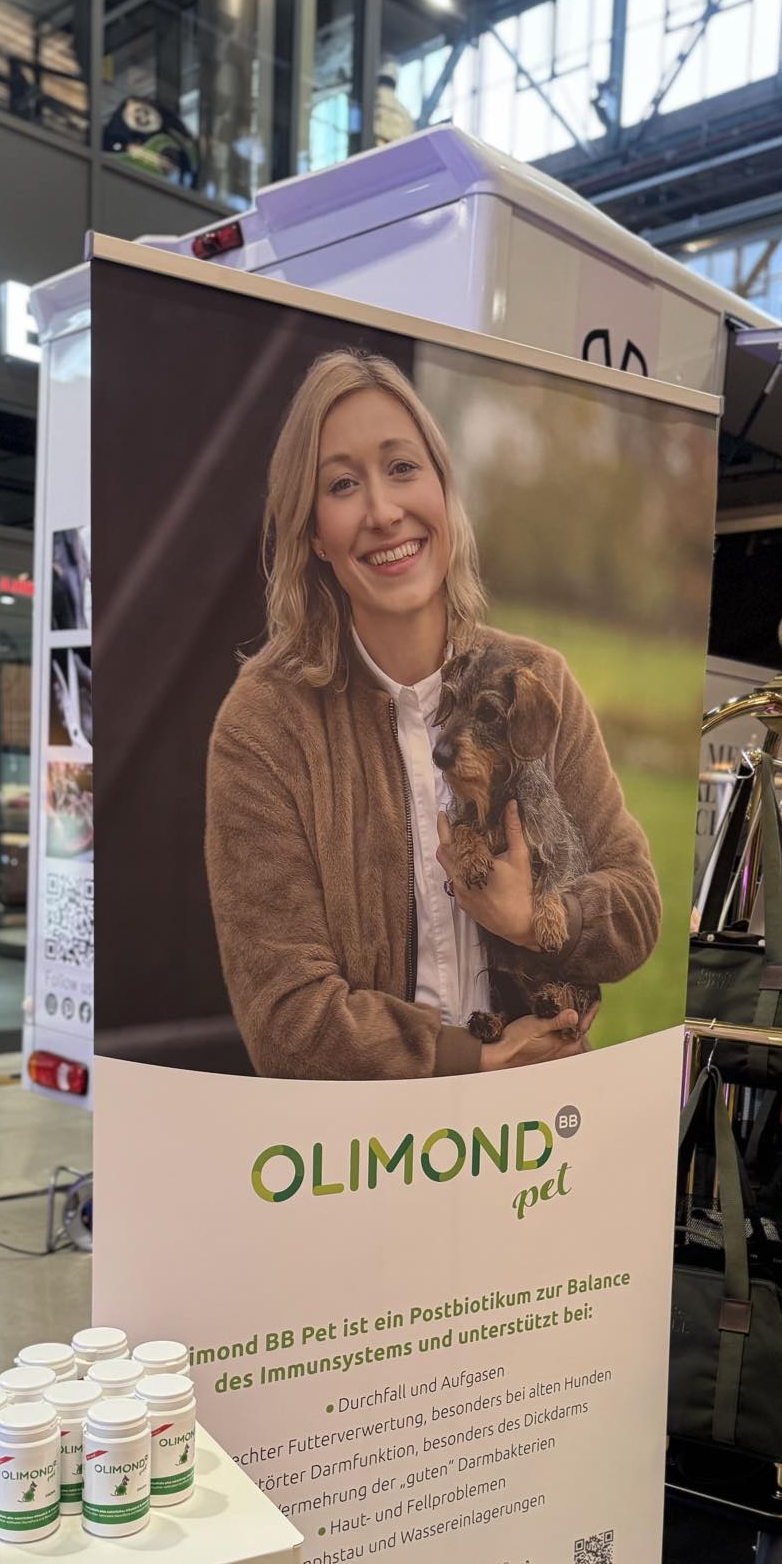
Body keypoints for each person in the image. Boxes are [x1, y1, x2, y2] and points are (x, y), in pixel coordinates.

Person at [205, 348, 660, 1079]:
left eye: (403, 468)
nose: (384, 512)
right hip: (361, 1154)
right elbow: (286, 1015)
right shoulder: (264, 723)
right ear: (314, 532)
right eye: (343, 484)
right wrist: (472, 1058)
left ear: (446, 492)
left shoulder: (537, 680)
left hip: (544, 1125)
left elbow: (635, 904)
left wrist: (534, 920)